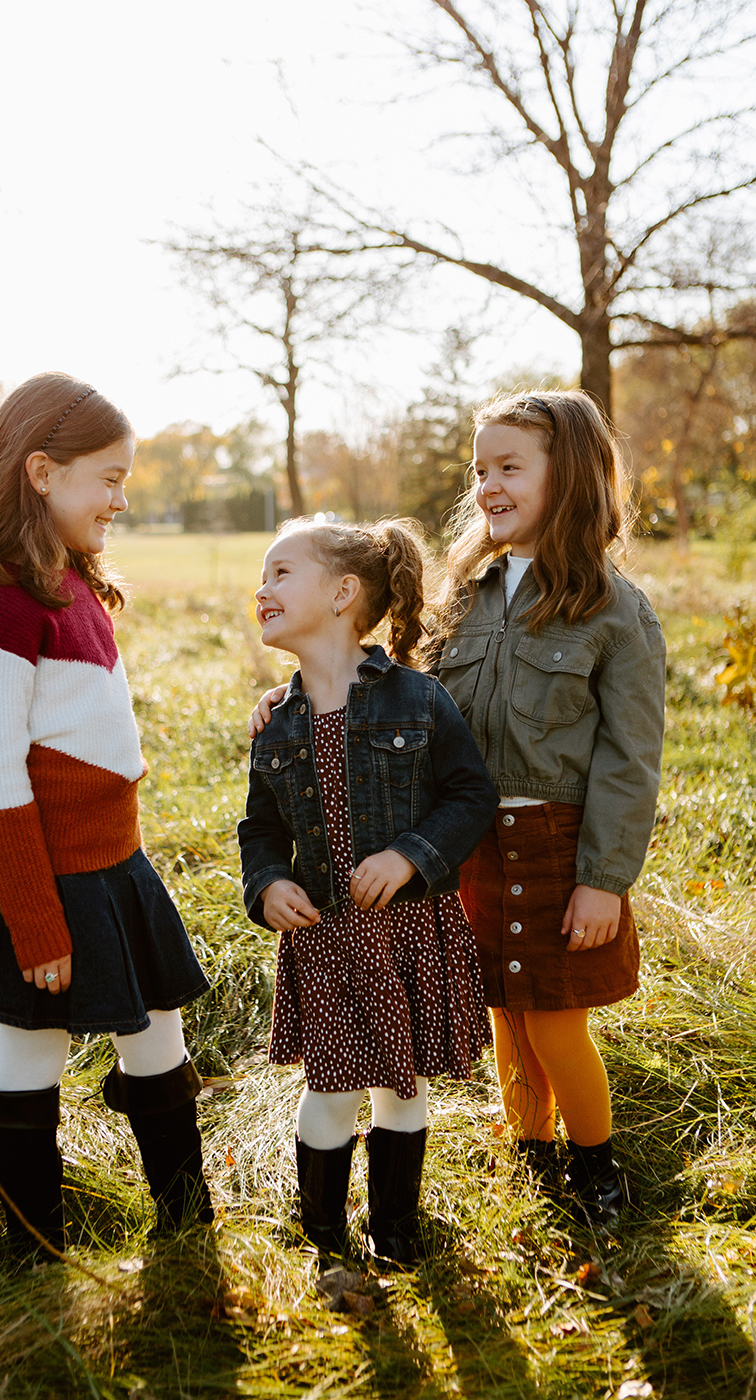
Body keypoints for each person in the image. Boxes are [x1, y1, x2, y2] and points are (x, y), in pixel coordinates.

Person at [0, 372, 213, 1259]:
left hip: (111, 867)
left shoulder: (68, 582)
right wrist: (35, 920)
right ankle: (33, 1249)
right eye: (110, 478)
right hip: (41, 879)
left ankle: (186, 1222)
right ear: (42, 472)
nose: (122, 499)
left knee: (156, 1032)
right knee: (33, 1051)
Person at [426, 389, 666, 1228]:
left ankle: (594, 1166)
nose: (487, 484)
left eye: (509, 467)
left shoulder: (610, 606)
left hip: (560, 846)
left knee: (556, 1021)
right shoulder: (462, 595)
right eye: (479, 468)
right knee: (503, 1011)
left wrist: (603, 880)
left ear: (567, 477)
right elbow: (396, 686)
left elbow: (629, 761)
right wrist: (294, 694)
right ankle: (527, 1151)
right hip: (473, 843)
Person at [238, 517, 498, 1264]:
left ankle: (395, 1234)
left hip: (405, 931)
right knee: (328, 1087)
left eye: (282, 572)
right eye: (263, 576)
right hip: (322, 938)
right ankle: (321, 1236)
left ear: (344, 592)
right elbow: (259, 830)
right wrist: (268, 882)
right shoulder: (276, 723)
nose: (263, 588)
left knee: (402, 1087)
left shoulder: (415, 701)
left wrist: (409, 856)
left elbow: (468, 797)